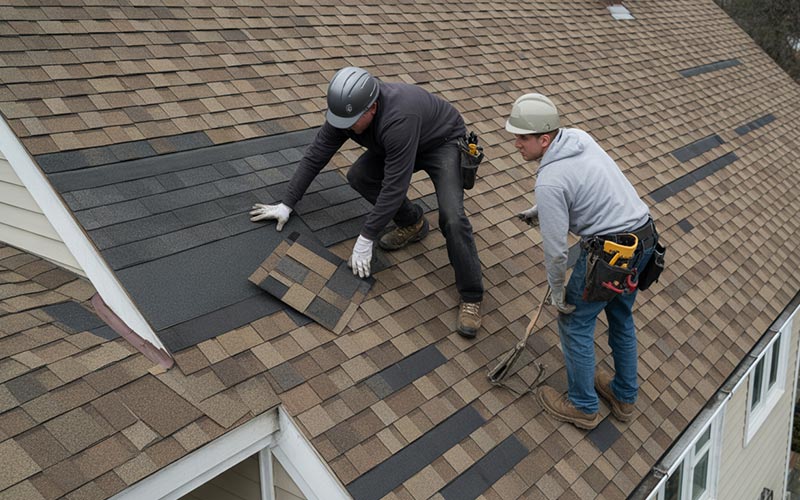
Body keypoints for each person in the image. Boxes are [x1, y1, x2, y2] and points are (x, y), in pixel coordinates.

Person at [250, 66, 485, 338]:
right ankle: (413, 223)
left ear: (372, 108)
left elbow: (394, 187)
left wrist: (366, 237)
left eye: (350, 121)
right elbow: (316, 154)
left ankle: (472, 296)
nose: (344, 126)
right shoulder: (347, 113)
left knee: (452, 218)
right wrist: (287, 203)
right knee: (360, 176)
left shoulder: (397, 117)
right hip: (400, 144)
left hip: (442, 141)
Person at [506, 93, 657, 430]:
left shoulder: (549, 180)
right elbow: (586, 185)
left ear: (544, 140)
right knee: (620, 314)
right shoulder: (578, 137)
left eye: (522, 138)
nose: (516, 144)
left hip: (611, 256)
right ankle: (623, 395)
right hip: (643, 240)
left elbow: (557, 251)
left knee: (574, 323)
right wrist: (541, 211)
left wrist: (557, 290)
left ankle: (583, 405)